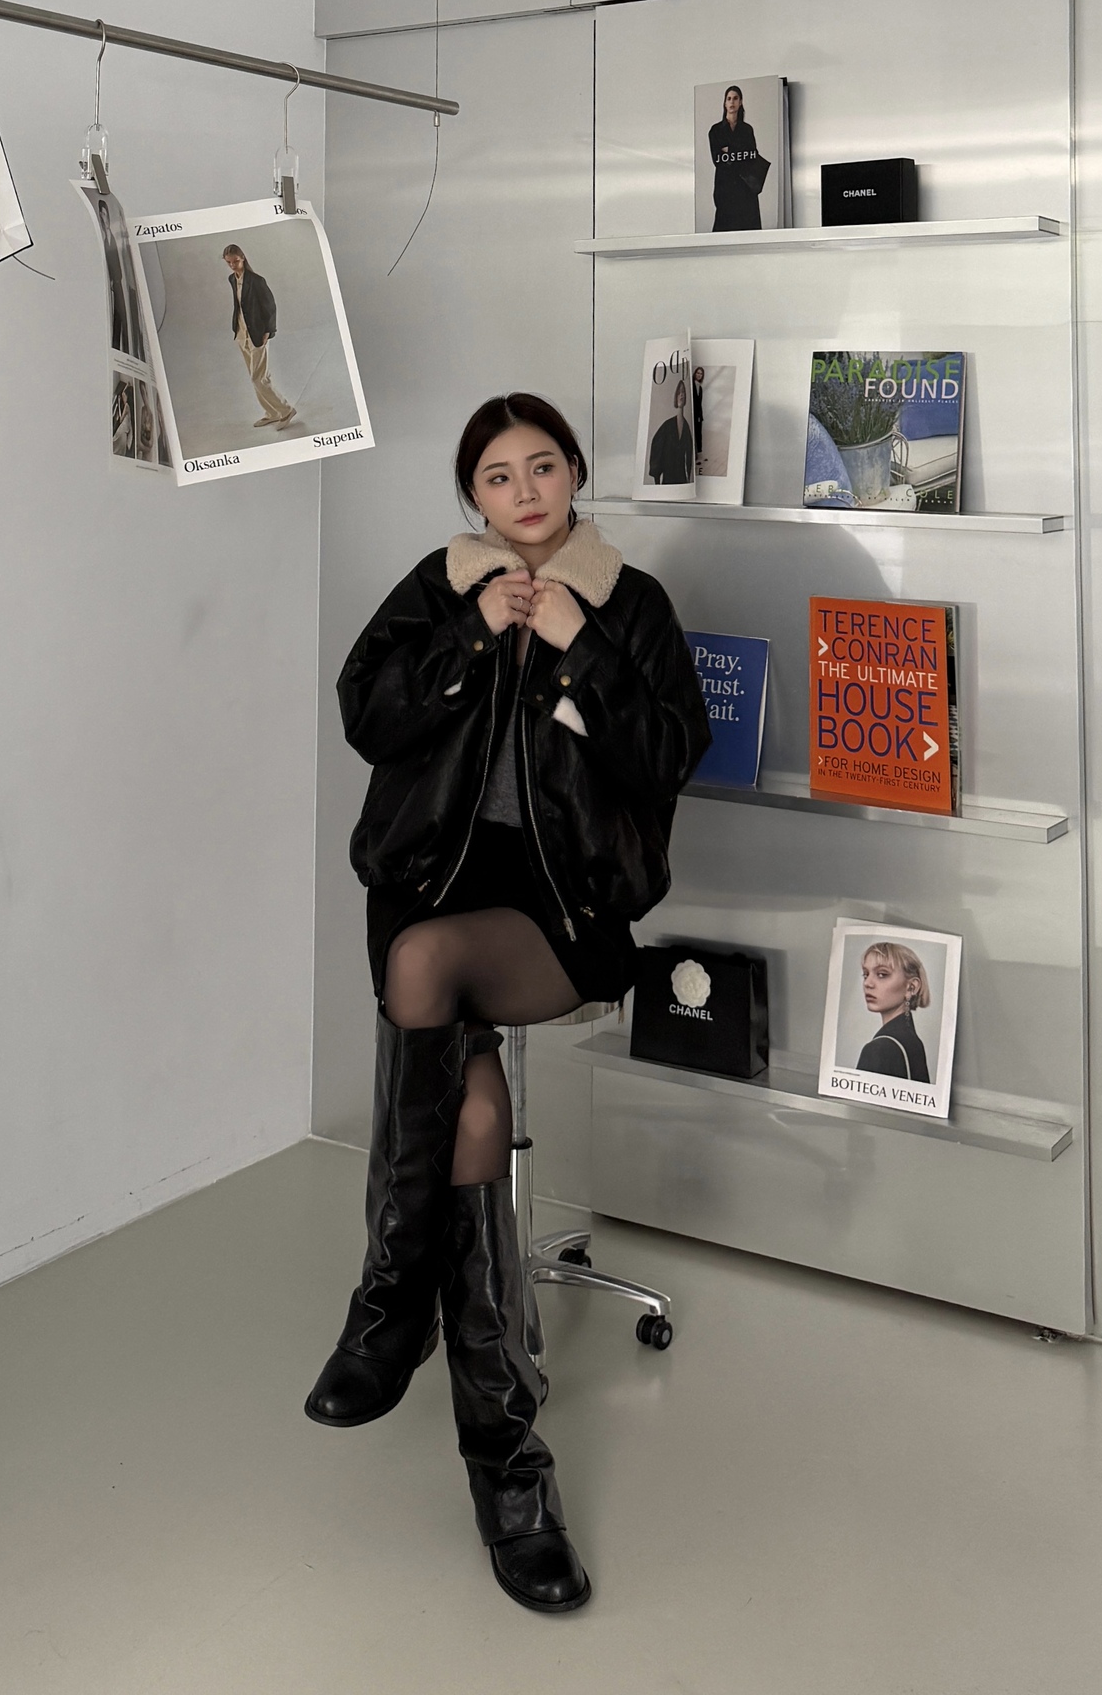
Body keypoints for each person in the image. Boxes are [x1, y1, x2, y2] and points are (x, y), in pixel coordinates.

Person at [307, 393, 710, 1614]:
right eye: (497, 475)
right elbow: (366, 717)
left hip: (562, 911)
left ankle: (389, 1305)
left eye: (542, 466)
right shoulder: (439, 588)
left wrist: (578, 642)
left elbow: (671, 752)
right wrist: (475, 634)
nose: (524, 491)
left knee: (423, 967)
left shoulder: (630, 602)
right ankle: (510, 1477)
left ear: (575, 473)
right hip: (429, 882)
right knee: (473, 1115)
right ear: (471, 495)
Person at [222, 242, 296, 429]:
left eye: (235, 261)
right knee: (256, 377)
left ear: (243, 258)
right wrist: (237, 329)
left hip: (257, 333)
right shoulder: (232, 279)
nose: (232, 265)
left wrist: (268, 331)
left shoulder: (257, 281)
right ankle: (271, 413)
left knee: (258, 378)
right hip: (241, 334)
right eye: (229, 262)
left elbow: (270, 306)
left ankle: (286, 410)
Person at [854, 941, 931, 1081]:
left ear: (911, 987)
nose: (867, 983)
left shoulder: (879, 1049)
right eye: (866, 974)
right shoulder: (913, 1042)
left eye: (882, 974)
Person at [708, 83, 767, 231]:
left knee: (748, 232)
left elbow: (751, 157)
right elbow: (718, 160)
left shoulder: (747, 130)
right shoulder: (716, 130)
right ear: (724, 103)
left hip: (745, 188)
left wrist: (730, 151)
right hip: (725, 188)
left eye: (735, 98)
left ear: (740, 102)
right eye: (728, 98)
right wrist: (739, 153)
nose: (732, 102)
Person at [647, 371, 694, 486]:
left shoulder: (686, 427)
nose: (681, 395)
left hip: (682, 478)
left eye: (683, 392)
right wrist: (657, 476)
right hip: (668, 477)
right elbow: (657, 447)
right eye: (679, 393)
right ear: (675, 396)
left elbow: (689, 454)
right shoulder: (667, 426)